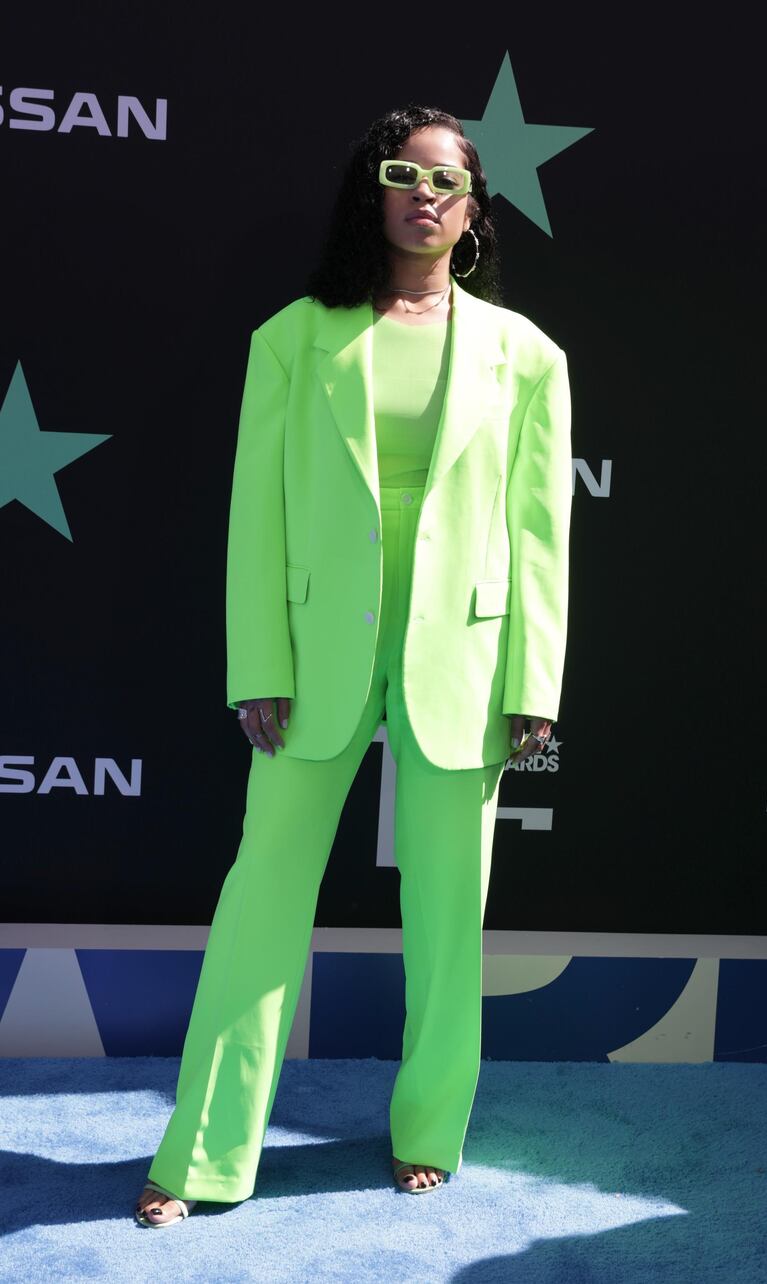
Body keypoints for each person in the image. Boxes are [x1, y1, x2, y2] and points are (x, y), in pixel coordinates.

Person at [135, 103, 572, 1227]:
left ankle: (427, 1129)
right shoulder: (291, 339)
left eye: (446, 180)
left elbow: (538, 537)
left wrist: (533, 683)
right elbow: (255, 520)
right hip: (314, 647)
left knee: (447, 916)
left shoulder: (527, 357)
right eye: (402, 172)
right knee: (259, 902)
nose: (423, 193)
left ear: (472, 210)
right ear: (370, 191)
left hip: (462, 658)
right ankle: (201, 1154)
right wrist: (256, 662)